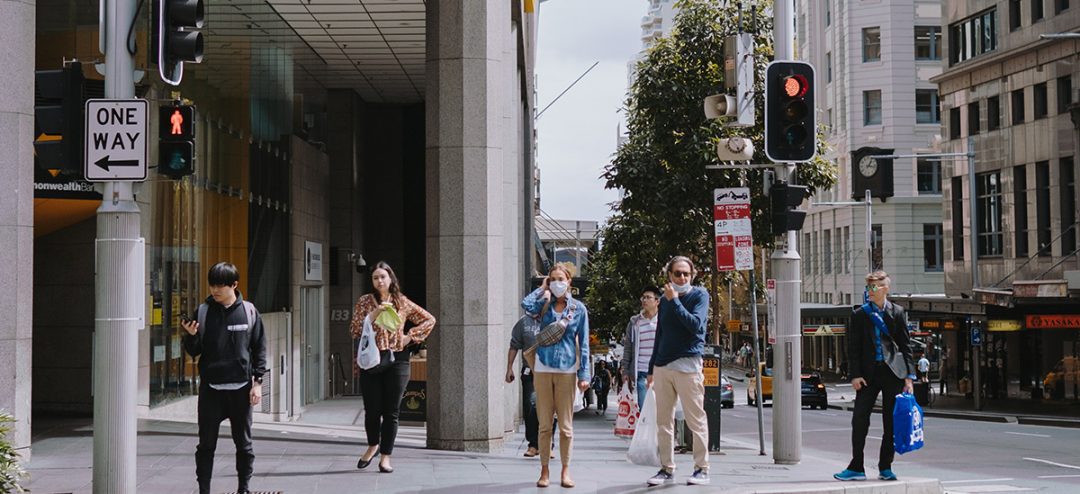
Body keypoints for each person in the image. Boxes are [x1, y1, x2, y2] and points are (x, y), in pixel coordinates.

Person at [181, 262, 267, 494]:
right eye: (212, 285)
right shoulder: (203, 312)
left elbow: (259, 349)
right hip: (211, 390)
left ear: (234, 285)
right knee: (206, 445)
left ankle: (244, 489)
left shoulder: (249, 312)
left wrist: (257, 384)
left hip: (241, 389)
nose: (214, 290)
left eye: (220, 286)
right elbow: (194, 351)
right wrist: (190, 336)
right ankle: (204, 490)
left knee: (244, 445)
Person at [350, 261, 436, 474]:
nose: (379, 281)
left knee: (392, 411)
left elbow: (429, 320)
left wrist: (410, 338)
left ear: (391, 279)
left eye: (383, 277)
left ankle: (386, 457)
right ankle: (373, 445)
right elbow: (353, 330)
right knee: (372, 410)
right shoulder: (365, 302)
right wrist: (374, 314)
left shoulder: (401, 302)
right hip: (371, 359)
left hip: (397, 359)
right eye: (375, 278)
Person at [834, 271, 915, 482]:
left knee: (891, 422)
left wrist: (908, 378)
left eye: (873, 287)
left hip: (892, 373)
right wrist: (854, 375)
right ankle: (856, 466)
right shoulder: (860, 314)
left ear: (885, 289)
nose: (869, 291)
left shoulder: (897, 312)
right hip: (867, 375)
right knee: (859, 418)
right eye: (868, 287)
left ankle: (885, 466)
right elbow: (853, 348)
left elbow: (906, 346)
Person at [521, 263, 590, 488]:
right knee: (544, 424)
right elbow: (526, 305)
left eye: (561, 279)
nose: (557, 283)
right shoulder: (544, 304)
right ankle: (544, 471)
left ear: (569, 281)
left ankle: (565, 471)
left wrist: (584, 374)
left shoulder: (578, 309)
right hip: (542, 367)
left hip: (567, 369)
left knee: (566, 427)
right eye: (552, 279)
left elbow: (585, 343)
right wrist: (542, 289)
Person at [645, 256, 711, 487]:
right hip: (663, 367)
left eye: (686, 274)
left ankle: (701, 468)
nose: (682, 277)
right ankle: (666, 468)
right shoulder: (664, 300)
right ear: (669, 276)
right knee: (664, 421)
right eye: (677, 274)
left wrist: (674, 301)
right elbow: (660, 334)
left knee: (696, 420)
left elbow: (695, 325)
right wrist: (652, 367)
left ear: (692, 275)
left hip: (688, 366)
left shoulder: (699, 295)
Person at [506, 312, 542, 457]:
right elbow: (514, 345)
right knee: (531, 405)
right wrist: (509, 368)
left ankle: (547, 444)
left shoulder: (553, 318)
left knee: (550, 410)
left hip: (551, 371)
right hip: (530, 372)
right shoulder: (524, 322)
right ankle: (533, 444)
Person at [620, 286, 661, 410]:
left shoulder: (663, 320)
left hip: (661, 372)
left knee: (661, 411)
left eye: (648, 297)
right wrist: (625, 370)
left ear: (657, 301)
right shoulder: (635, 322)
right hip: (642, 372)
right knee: (644, 410)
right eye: (643, 297)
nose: (644, 300)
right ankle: (646, 429)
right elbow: (628, 348)